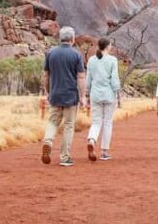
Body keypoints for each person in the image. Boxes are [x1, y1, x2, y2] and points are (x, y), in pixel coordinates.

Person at [41, 26, 86, 167]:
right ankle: (64, 157)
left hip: (55, 94)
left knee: (53, 121)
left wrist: (49, 92)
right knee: (68, 125)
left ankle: (48, 141)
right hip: (70, 95)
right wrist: (83, 96)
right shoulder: (76, 55)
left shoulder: (51, 53)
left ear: (60, 38)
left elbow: (46, 76)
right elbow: (81, 77)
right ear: (72, 39)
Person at [85, 37, 121, 162]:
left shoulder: (91, 60)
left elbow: (88, 79)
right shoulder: (112, 60)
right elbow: (114, 79)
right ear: (108, 46)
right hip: (109, 94)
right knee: (107, 123)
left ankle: (91, 140)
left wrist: (87, 94)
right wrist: (118, 95)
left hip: (95, 94)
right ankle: (104, 152)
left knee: (96, 122)